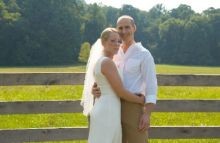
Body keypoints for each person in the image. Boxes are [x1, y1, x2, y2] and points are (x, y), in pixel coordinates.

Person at [92, 15, 158, 143]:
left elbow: (152, 85)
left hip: (133, 106)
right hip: (112, 106)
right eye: (120, 28)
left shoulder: (144, 54)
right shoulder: (114, 51)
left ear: (134, 28)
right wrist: (94, 88)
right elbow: (104, 75)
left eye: (127, 27)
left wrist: (147, 114)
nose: (124, 31)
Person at [81, 27, 145, 143]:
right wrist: (140, 100)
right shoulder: (107, 62)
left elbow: (101, 84)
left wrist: (94, 89)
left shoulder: (103, 61)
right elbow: (120, 91)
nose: (117, 44)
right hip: (107, 111)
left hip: (108, 108)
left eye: (119, 41)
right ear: (103, 42)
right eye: (112, 41)